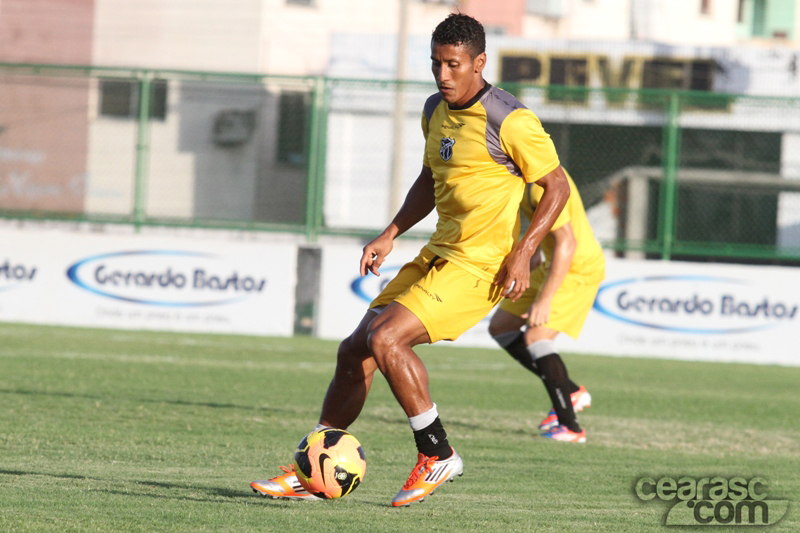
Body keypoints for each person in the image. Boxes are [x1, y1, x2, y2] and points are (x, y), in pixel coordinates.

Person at [251, 13, 570, 506]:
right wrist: (391, 232)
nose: (443, 75)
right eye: (436, 63)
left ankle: (437, 452)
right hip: (437, 254)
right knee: (354, 350)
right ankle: (315, 464)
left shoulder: (511, 119)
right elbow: (429, 178)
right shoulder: (434, 109)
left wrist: (524, 252)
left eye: (454, 64)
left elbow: (557, 187)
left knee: (387, 338)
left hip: (480, 266)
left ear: (479, 62)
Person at [488, 169, 605, 443]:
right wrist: (531, 265)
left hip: (576, 267)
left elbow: (567, 242)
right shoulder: (524, 181)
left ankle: (571, 428)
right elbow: (540, 228)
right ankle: (571, 391)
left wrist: (544, 299)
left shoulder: (541, 183)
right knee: (501, 327)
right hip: (552, 264)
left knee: (536, 336)